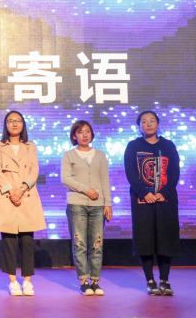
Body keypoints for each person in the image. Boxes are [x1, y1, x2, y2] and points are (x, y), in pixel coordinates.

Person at [124, 110, 180, 296]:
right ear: (139, 126)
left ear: (158, 124)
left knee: (165, 239)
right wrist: (145, 193)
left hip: (166, 200)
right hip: (142, 201)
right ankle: (150, 281)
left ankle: (165, 281)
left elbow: (174, 172)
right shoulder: (133, 146)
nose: (148, 124)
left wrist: (164, 193)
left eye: (152, 121)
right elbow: (131, 173)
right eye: (144, 121)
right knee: (145, 240)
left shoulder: (168, 145)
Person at [0, 111, 46, 296]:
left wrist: (21, 190)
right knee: (8, 242)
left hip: (26, 196)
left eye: (18, 121)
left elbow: (34, 170)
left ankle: (28, 282)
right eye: (11, 121)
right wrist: (11, 191)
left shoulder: (30, 146)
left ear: (23, 124)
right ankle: (13, 282)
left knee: (27, 242)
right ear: (6, 124)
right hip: (7, 197)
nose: (15, 124)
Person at [61, 120, 112, 296]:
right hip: (76, 205)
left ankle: (95, 281)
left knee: (97, 244)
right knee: (79, 243)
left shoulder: (100, 155)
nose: (84, 135)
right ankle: (84, 281)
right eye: (80, 131)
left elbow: (105, 180)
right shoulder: (69, 155)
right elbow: (65, 179)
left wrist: (107, 203)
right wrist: (86, 190)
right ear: (74, 135)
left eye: (88, 131)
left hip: (98, 206)